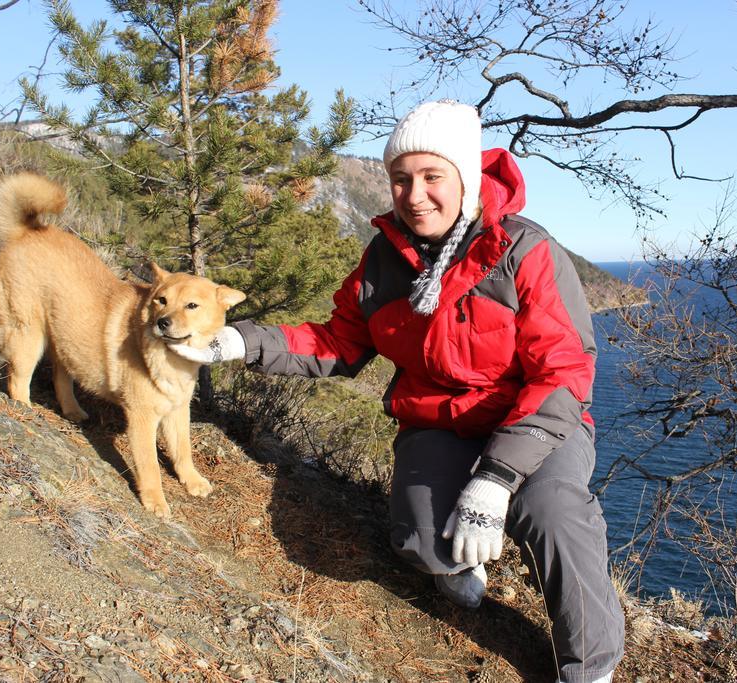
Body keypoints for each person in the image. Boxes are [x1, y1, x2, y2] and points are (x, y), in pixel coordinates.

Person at [172, 100, 624, 683]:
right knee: (417, 541)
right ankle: (461, 563)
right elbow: (337, 342)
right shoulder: (384, 259)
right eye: (401, 179)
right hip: (437, 420)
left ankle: (589, 665)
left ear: (464, 177)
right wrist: (239, 341)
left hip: (535, 423)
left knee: (554, 510)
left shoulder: (523, 251)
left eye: (432, 177)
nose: (414, 195)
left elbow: (562, 373)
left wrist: (496, 478)